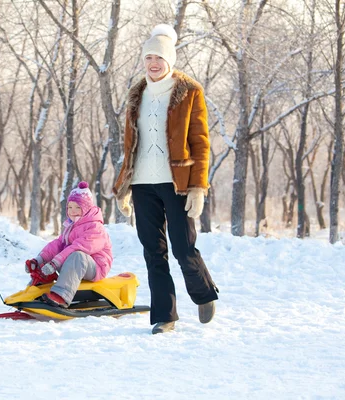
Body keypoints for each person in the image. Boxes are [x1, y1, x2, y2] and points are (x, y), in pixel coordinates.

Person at [113, 24, 219, 334]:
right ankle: (165, 316)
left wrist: (198, 186)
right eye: (148, 58)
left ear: (169, 60)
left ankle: (203, 293)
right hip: (143, 183)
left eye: (159, 57)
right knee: (152, 251)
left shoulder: (189, 92)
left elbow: (200, 141)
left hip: (178, 183)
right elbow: (130, 145)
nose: (153, 64)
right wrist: (124, 188)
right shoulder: (138, 94)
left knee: (183, 248)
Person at [25, 182, 113, 308]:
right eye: (70, 207)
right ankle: (39, 285)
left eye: (78, 207)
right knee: (55, 255)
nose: (73, 211)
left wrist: (55, 263)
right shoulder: (71, 225)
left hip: (95, 266)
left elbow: (77, 247)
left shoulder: (95, 227)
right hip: (74, 264)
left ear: (86, 208)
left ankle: (62, 295)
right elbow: (58, 244)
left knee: (77, 255)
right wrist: (39, 260)